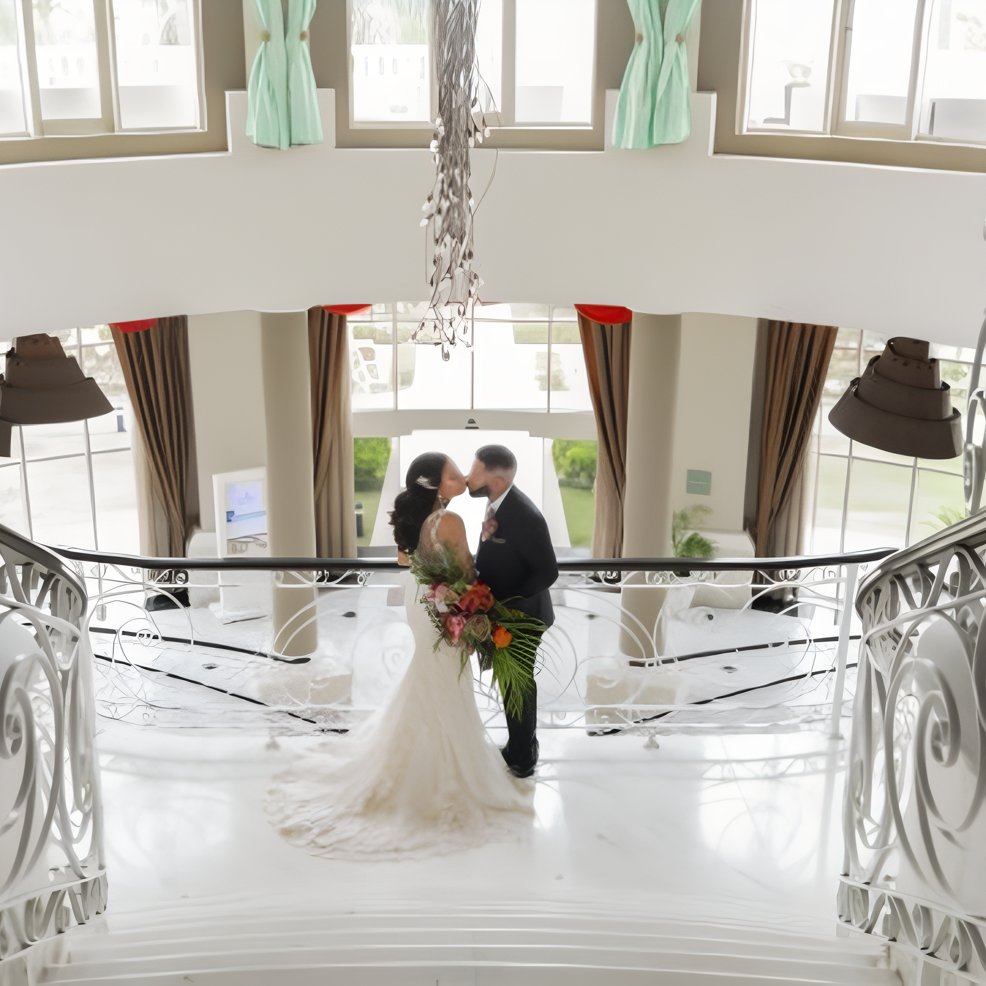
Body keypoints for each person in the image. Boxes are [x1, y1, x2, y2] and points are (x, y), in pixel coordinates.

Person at [267, 452, 532, 859]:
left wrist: (443, 582)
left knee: (431, 676)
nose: (462, 475)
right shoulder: (450, 521)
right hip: (443, 605)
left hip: (420, 599)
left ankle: (423, 759)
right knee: (445, 679)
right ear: (437, 485)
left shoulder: (418, 522)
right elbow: (467, 573)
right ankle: (441, 774)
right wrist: (475, 596)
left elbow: (406, 561)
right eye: (452, 473)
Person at [467, 445, 558, 778]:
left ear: (498, 479)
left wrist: (502, 601)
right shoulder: (498, 505)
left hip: (523, 616)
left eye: (475, 472)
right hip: (507, 613)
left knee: (518, 683)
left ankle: (523, 755)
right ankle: (521, 745)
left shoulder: (525, 515)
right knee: (511, 682)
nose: (468, 477)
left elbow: (548, 572)